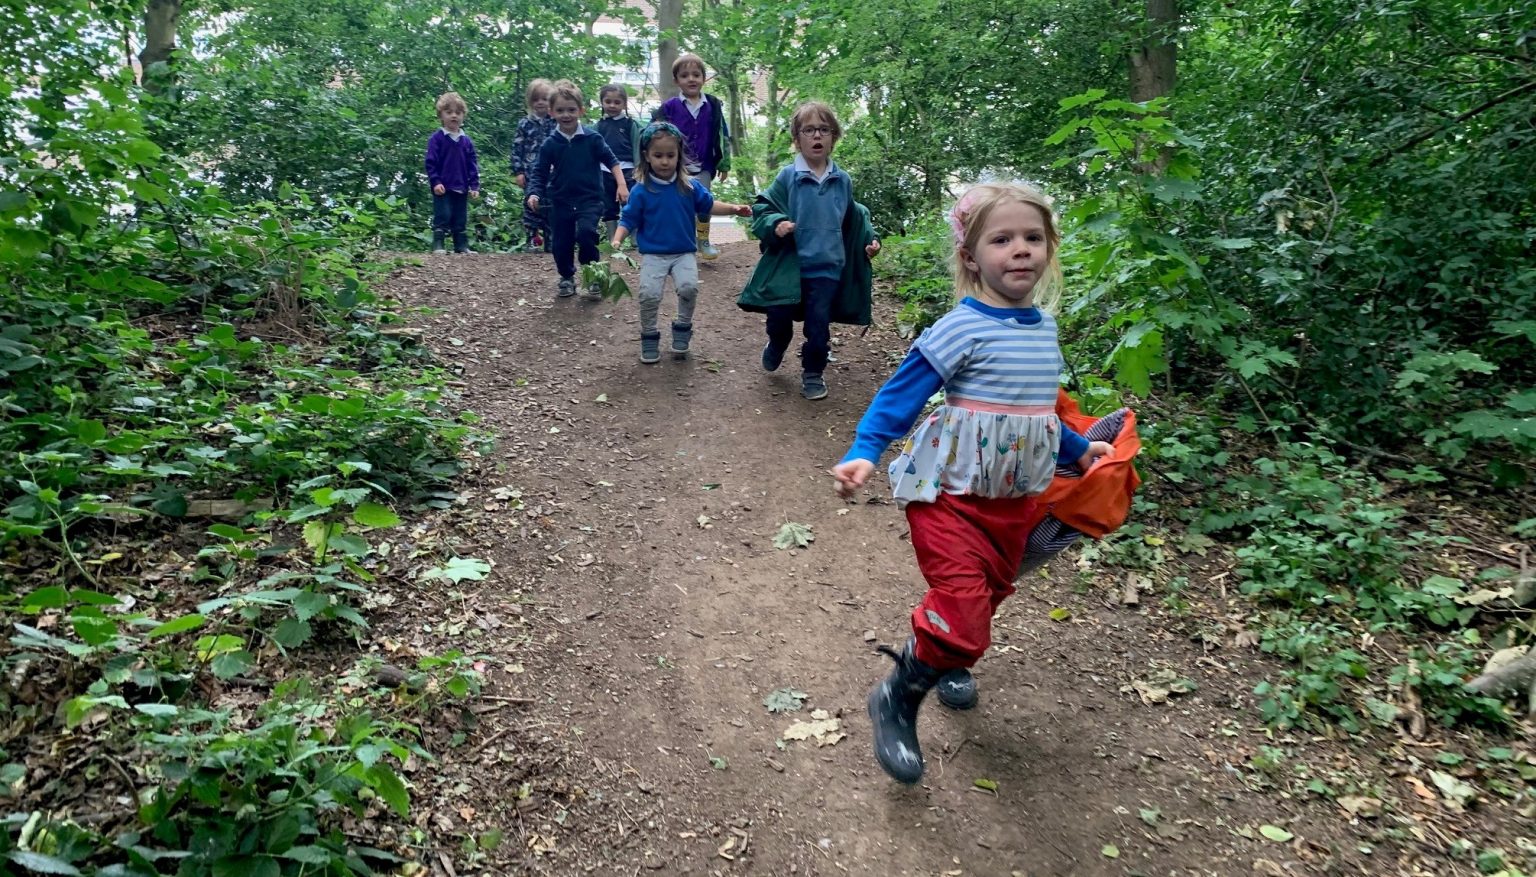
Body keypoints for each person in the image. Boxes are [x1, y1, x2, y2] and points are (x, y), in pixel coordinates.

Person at [830, 181, 1115, 785]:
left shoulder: (1043, 328)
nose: (1021, 251)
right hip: (950, 497)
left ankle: (948, 650)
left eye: (1033, 238)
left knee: (984, 598)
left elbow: (1035, 412)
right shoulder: (960, 328)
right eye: (1002, 239)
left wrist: (1078, 448)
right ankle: (899, 695)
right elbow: (899, 395)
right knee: (964, 613)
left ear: (1050, 249)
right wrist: (865, 451)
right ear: (971, 256)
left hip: (1014, 501)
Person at [736, 102, 880, 401]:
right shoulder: (788, 177)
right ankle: (777, 343)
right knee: (779, 317)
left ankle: (813, 372)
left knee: (818, 327)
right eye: (809, 130)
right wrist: (776, 224)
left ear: (833, 137)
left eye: (824, 130)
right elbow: (763, 208)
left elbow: (856, 218)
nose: (817, 136)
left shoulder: (842, 180)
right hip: (791, 266)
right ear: (797, 138)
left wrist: (871, 241)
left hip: (828, 267)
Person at [611, 122, 751, 363]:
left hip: (683, 252)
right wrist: (616, 239)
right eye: (658, 156)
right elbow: (629, 219)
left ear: (679, 156)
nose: (664, 161)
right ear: (647, 156)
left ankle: (682, 329)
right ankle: (649, 335)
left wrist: (734, 209)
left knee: (688, 287)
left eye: (670, 155)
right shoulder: (642, 190)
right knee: (648, 294)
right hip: (653, 254)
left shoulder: (688, 186)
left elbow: (708, 205)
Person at [525, 80, 629, 300]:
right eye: (561, 110)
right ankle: (566, 277)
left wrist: (621, 185)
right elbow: (540, 173)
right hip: (560, 200)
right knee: (561, 242)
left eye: (571, 110)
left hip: (589, 198)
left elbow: (612, 161)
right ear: (552, 112)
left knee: (586, 234)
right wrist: (534, 193)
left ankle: (592, 276)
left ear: (581, 110)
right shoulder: (551, 144)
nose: (566, 115)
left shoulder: (592, 138)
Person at [651, 53, 731, 260]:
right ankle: (681, 242)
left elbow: (722, 132)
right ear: (677, 81)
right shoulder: (669, 107)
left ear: (704, 79)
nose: (691, 79)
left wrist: (724, 162)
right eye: (685, 76)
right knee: (678, 203)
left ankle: (703, 241)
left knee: (704, 202)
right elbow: (655, 132)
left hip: (705, 163)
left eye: (696, 75)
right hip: (677, 165)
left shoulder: (712, 104)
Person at [423, 91, 480, 254]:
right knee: (443, 215)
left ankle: (461, 245)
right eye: (449, 112)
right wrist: (435, 181)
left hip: (461, 186)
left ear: (463, 115)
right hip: (443, 186)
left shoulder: (466, 141)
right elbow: (430, 162)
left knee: (460, 217)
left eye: (458, 112)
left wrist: (474, 185)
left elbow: (472, 164)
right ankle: (438, 245)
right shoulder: (437, 138)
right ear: (441, 115)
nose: (454, 116)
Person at [510, 79, 555, 251]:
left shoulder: (555, 122)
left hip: (552, 174)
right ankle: (532, 240)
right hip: (530, 173)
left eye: (544, 99)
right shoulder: (525, 123)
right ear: (530, 102)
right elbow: (517, 148)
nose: (540, 103)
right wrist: (518, 171)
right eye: (536, 99)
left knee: (551, 205)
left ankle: (551, 242)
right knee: (531, 206)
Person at [596, 84, 642, 244]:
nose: (612, 105)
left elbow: (637, 146)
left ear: (624, 104)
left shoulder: (630, 124)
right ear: (602, 102)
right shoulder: (599, 126)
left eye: (617, 102)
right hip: (605, 170)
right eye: (608, 101)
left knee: (631, 202)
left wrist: (639, 168)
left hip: (628, 169)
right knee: (608, 204)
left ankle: (636, 238)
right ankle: (613, 240)